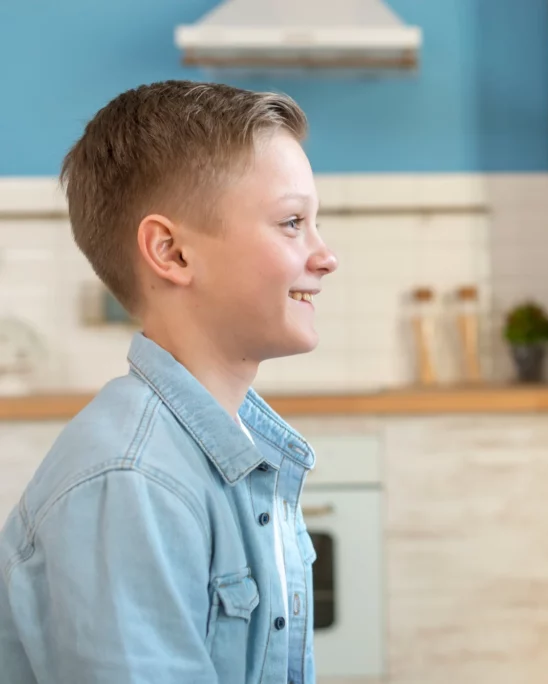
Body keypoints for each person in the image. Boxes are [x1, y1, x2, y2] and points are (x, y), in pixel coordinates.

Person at [0, 80, 337, 683]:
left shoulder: (221, 450)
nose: (325, 256)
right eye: (292, 222)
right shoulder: (134, 481)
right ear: (172, 252)